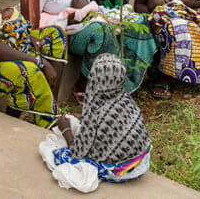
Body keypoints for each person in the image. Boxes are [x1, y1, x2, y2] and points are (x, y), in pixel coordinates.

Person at [47, 55, 152, 188]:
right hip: (142, 161)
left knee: (50, 150)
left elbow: (77, 152)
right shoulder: (125, 98)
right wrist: (84, 117)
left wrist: (65, 128)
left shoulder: (96, 109)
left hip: (120, 171)